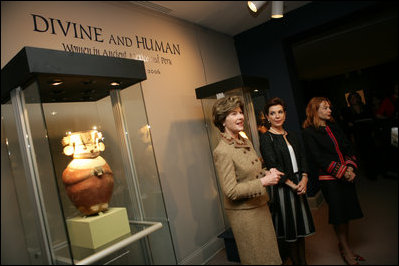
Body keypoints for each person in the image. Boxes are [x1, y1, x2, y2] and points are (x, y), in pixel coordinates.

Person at [212, 96, 283, 265]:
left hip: (260, 206)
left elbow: (253, 172)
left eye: (240, 112)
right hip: (245, 215)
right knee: (257, 258)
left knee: (270, 256)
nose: (241, 117)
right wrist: (264, 182)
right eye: (233, 114)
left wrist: (267, 173)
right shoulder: (222, 151)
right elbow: (231, 191)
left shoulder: (245, 140)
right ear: (222, 121)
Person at [302, 97, 364, 265]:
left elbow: (348, 147)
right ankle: (346, 250)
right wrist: (342, 171)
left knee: (347, 212)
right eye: (325, 108)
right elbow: (317, 158)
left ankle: (344, 246)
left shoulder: (334, 126)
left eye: (329, 107)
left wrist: (350, 168)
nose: (330, 111)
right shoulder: (309, 132)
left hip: (346, 175)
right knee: (339, 215)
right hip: (329, 179)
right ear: (315, 110)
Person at [259, 97, 315, 265]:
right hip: (284, 187)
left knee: (301, 228)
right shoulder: (266, 138)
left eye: (280, 112)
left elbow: (303, 157)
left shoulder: (293, 135)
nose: (277, 116)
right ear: (267, 117)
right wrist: (292, 185)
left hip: (299, 182)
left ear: (285, 114)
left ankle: (303, 262)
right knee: (291, 229)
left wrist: (304, 178)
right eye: (272, 113)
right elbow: (272, 165)